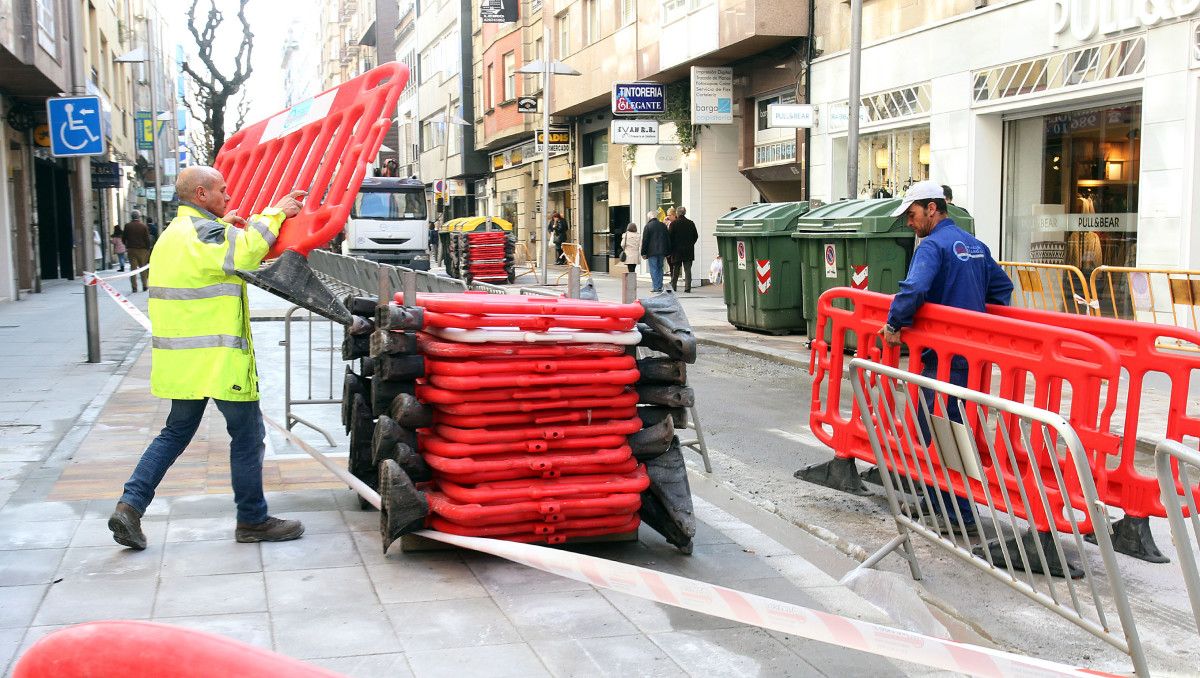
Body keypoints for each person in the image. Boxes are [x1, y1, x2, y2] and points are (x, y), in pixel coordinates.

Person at [108, 166, 308, 550]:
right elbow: (249, 251)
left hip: (183, 362)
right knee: (248, 437)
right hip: (219, 362)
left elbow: (212, 255)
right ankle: (252, 520)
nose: (229, 198)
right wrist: (278, 211)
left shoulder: (174, 234)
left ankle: (129, 507)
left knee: (175, 433)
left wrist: (228, 226)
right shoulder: (205, 233)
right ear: (200, 194)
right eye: (222, 191)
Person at [878, 180, 1013, 535]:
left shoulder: (931, 246)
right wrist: (977, 319)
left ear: (932, 208)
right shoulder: (975, 245)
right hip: (969, 356)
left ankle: (960, 512)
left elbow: (915, 287)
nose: (910, 222)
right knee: (948, 426)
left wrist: (894, 322)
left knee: (940, 429)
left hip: (941, 355)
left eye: (912, 214)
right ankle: (941, 501)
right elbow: (1002, 289)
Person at [667, 206, 698, 293]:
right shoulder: (691, 223)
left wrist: (671, 248)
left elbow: (670, 237)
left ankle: (673, 286)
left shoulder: (673, 224)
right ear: (685, 213)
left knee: (676, 269)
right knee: (688, 269)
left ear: (677, 213)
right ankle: (687, 288)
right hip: (688, 250)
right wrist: (691, 244)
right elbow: (695, 236)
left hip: (677, 250)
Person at [123, 211, 153, 293]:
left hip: (131, 249)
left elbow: (124, 238)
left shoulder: (127, 226)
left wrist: (127, 245)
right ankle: (144, 286)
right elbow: (147, 239)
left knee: (133, 269)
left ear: (131, 217)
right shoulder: (143, 226)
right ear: (139, 217)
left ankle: (134, 287)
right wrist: (148, 249)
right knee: (143, 268)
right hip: (142, 250)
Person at [640, 210, 669, 293]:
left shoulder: (648, 226)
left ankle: (656, 287)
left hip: (651, 252)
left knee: (653, 269)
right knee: (660, 268)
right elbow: (667, 238)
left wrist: (643, 253)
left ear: (649, 217)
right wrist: (668, 251)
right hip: (662, 251)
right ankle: (659, 286)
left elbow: (645, 241)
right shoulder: (663, 225)